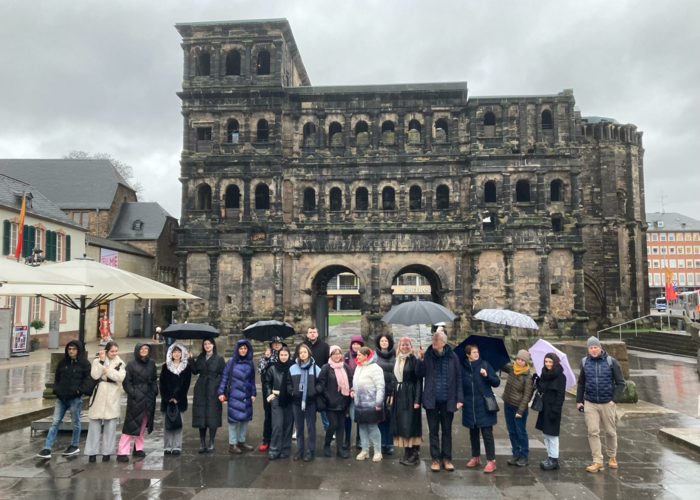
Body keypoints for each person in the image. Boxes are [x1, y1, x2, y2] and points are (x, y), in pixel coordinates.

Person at [577, 336, 626, 472]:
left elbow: (621, 383)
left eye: (595, 347)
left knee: (610, 431)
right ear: (588, 349)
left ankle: (612, 456)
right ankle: (597, 460)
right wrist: (579, 401)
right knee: (593, 432)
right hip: (590, 402)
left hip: (607, 402)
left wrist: (613, 400)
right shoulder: (585, 362)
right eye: (591, 348)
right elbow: (581, 382)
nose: (593, 350)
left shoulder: (611, 362)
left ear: (600, 348)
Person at [416, 332, 463, 472]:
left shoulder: (453, 357)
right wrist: (420, 359)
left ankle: (446, 459)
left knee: (447, 431)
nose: (433, 341)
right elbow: (419, 373)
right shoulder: (428, 355)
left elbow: (459, 378)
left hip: (448, 400)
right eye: (433, 339)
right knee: (433, 431)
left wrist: (459, 399)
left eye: (436, 339)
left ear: (443, 342)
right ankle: (435, 459)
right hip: (431, 399)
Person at [37, 340, 91, 459]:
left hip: (74, 398)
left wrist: (80, 390)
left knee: (75, 422)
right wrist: (56, 389)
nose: (71, 351)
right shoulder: (62, 362)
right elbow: (57, 377)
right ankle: (47, 448)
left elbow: (88, 379)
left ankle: (74, 445)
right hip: (61, 398)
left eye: (74, 349)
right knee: (55, 422)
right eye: (69, 349)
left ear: (78, 350)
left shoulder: (84, 364)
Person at [461, 344, 500, 473]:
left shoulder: (484, 364)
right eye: (473, 352)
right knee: (473, 433)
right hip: (469, 405)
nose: (477, 354)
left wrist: (486, 375)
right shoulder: (463, 368)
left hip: (484, 404)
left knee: (487, 434)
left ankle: (491, 461)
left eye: (477, 352)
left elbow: (496, 382)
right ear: (468, 354)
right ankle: (475, 456)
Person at [84, 341, 125, 462]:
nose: (114, 353)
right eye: (112, 351)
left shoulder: (120, 362)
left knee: (110, 425)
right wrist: (102, 362)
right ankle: (92, 452)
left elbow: (121, 377)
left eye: (116, 351)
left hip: (112, 392)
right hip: (99, 392)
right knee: (94, 424)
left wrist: (108, 371)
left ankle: (107, 452)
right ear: (106, 351)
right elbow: (95, 375)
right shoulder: (97, 361)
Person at [117, 343, 158, 462]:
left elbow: (154, 378)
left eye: (146, 349)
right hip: (136, 397)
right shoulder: (131, 364)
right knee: (131, 423)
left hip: (149, 397)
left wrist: (155, 390)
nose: (144, 350)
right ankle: (122, 452)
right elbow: (126, 382)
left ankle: (138, 448)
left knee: (143, 423)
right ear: (137, 350)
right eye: (142, 349)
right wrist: (133, 393)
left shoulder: (151, 363)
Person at [218, 339, 256, 454]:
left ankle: (241, 441)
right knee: (233, 421)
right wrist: (221, 392)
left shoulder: (250, 362)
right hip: (234, 394)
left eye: (245, 348)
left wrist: (253, 393)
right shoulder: (231, 361)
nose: (243, 350)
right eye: (241, 348)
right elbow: (225, 377)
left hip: (246, 395)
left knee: (245, 420)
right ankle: (232, 444)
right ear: (237, 349)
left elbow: (252, 379)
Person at [188, 338, 225, 453]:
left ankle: (211, 442)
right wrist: (190, 359)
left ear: (213, 345)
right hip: (201, 388)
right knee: (201, 414)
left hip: (213, 388)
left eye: (209, 344)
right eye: (205, 344)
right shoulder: (200, 357)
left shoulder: (219, 358)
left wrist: (220, 389)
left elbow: (223, 374)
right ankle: (202, 442)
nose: (207, 346)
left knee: (212, 414)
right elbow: (195, 371)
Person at [390, 336, 422, 466]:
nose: (404, 347)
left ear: (411, 346)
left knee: (410, 423)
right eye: (402, 345)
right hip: (399, 394)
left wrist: (417, 400)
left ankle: (414, 453)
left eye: (407, 344)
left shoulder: (414, 360)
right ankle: (407, 452)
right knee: (402, 423)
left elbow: (419, 380)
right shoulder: (397, 360)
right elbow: (395, 379)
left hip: (410, 393)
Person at [317, 345, 353, 458]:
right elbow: (321, 384)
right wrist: (325, 396)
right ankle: (327, 445)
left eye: (339, 353)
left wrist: (350, 393)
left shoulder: (345, 367)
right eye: (334, 353)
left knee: (341, 425)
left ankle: (340, 448)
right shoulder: (326, 368)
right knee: (333, 425)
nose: (337, 356)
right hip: (330, 402)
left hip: (343, 401)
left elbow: (350, 381)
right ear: (330, 355)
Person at [288, 344, 321, 461]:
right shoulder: (292, 368)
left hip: (310, 402)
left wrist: (314, 391)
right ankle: (299, 451)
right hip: (297, 402)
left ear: (308, 353)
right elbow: (288, 383)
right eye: (300, 352)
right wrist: (292, 392)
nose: (302, 354)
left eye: (304, 352)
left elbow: (321, 382)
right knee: (299, 428)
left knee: (311, 428)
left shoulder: (315, 368)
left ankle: (310, 451)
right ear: (298, 354)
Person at [352, 346, 385, 462]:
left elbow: (380, 386)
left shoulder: (376, 369)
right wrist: (352, 390)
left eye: (359, 355)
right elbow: (356, 381)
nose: (357, 357)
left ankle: (377, 451)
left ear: (366, 356)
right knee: (361, 426)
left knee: (372, 427)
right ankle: (364, 450)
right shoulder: (359, 367)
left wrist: (378, 402)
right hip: (359, 403)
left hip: (371, 403)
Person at [501, 350, 534, 467]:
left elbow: (527, 396)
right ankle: (515, 453)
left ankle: (524, 455)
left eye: (522, 360)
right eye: (518, 359)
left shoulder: (528, 377)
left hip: (519, 408)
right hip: (508, 404)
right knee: (511, 431)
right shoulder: (511, 370)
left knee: (520, 432)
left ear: (526, 362)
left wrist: (520, 411)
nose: (520, 362)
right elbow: (500, 363)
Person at [534, 352, 566, 471]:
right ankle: (549, 456)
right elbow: (542, 389)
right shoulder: (544, 374)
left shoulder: (560, 376)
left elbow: (560, 395)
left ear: (555, 362)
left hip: (553, 409)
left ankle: (554, 459)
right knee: (545, 433)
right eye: (546, 361)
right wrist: (537, 381)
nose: (548, 364)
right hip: (544, 408)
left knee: (552, 435)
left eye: (550, 362)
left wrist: (555, 410)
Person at [159, 343, 192, 455]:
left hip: (180, 401)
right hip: (167, 401)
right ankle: (167, 446)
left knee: (179, 424)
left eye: (179, 352)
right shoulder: (165, 366)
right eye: (174, 352)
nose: (177, 354)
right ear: (171, 353)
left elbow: (186, 385)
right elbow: (162, 384)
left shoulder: (186, 367)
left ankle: (177, 446)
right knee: (167, 425)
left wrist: (178, 398)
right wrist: (168, 397)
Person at [296, 326, 330, 432]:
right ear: (307, 334)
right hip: (304, 380)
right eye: (310, 332)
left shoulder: (324, 346)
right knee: (303, 406)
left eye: (314, 332)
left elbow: (327, 363)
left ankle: (327, 429)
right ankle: (299, 430)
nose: (312, 334)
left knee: (323, 407)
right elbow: (295, 361)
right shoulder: (300, 346)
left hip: (320, 380)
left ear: (317, 334)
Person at [264, 346, 295, 460]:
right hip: (276, 398)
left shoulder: (293, 367)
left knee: (287, 425)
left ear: (288, 355)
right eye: (281, 355)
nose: (283, 357)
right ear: (278, 356)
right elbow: (267, 382)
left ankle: (285, 449)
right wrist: (270, 395)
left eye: (285, 355)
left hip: (289, 398)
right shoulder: (273, 368)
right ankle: (274, 449)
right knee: (277, 425)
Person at [257, 336, 286, 453]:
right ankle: (267, 439)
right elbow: (259, 370)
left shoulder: (285, 355)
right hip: (268, 390)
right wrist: (266, 358)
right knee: (269, 415)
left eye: (279, 343)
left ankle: (281, 439)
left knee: (282, 415)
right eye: (275, 343)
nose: (277, 345)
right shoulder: (267, 355)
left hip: (282, 389)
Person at [375, 333, 396, 455]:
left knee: (391, 419)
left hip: (391, 392)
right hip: (379, 392)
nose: (384, 343)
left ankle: (390, 443)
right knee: (380, 419)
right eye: (382, 341)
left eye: (386, 341)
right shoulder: (374, 356)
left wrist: (394, 392)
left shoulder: (395, 355)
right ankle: (382, 443)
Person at [344, 334, 364, 450]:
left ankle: (359, 439)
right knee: (347, 416)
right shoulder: (346, 356)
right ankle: (347, 439)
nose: (356, 346)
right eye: (354, 344)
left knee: (359, 416)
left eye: (358, 344)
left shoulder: (365, 357)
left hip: (360, 390)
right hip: (348, 390)